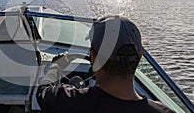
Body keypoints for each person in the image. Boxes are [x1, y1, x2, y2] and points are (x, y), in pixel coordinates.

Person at [37, 16, 175, 113]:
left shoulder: (65, 101)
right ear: (141, 55)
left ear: (93, 56)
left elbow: (43, 91)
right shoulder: (164, 111)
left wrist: (56, 66)